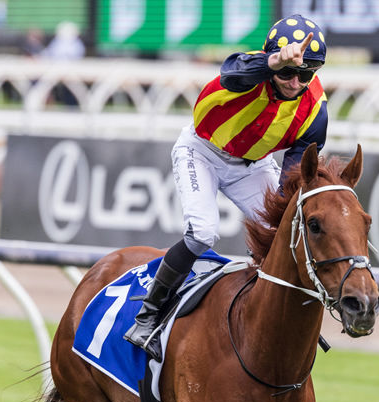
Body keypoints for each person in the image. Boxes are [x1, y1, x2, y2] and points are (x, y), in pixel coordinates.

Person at [124, 14, 329, 361]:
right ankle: (147, 317)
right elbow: (233, 74)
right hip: (201, 151)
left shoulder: (315, 111)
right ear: (270, 60)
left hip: (252, 164)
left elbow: (292, 178)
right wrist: (273, 63)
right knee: (203, 233)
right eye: (287, 73)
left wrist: (276, 225)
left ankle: (281, 313)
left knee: (284, 231)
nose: (295, 82)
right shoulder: (248, 68)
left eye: (305, 74)